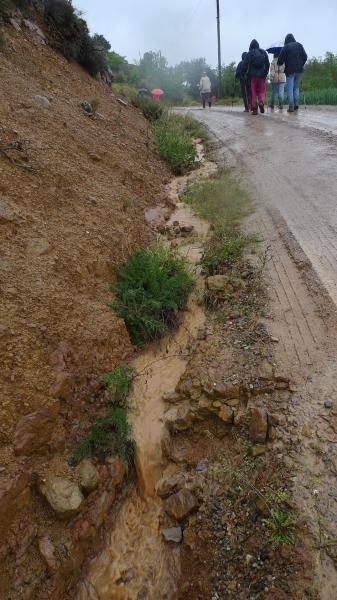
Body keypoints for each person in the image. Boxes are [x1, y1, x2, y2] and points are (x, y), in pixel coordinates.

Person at [277, 33, 307, 113]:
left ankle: (291, 106)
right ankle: (296, 104)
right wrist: (301, 64)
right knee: (296, 87)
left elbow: (280, 60)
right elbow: (305, 57)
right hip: (299, 70)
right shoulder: (299, 45)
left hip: (290, 71)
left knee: (290, 88)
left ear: (286, 40)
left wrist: (279, 63)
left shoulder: (285, 47)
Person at [242, 39, 270, 115]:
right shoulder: (263, 52)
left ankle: (254, 109)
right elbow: (267, 63)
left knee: (253, 92)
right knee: (261, 90)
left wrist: (245, 74)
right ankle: (261, 102)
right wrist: (266, 72)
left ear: (250, 46)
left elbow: (244, 65)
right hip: (262, 75)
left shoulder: (249, 53)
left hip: (253, 76)